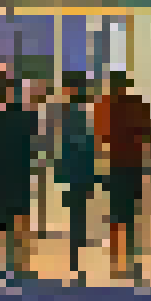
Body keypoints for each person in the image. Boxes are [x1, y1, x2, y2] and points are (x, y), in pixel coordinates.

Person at [95, 70, 151, 283]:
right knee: (131, 212)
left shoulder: (105, 105)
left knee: (115, 212)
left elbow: (100, 135)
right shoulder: (137, 103)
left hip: (114, 162)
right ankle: (131, 257)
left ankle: (115, 259)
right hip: (134, 162)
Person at [0, 71, 38, 283]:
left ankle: (8, 265)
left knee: (7, 221)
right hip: (21, 171)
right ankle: (22, 265)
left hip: (2, 173)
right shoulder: (25, 114)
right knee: (21, 219)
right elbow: (35, 143)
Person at [53, 72, 99, 277]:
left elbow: (69, 147)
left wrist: (62, 173)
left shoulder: (71, 116)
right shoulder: (81, 115)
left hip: (76, 173)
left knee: (77, 217)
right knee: (79, 216)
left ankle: (75, 259)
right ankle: (76, 258)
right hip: (81, 172)